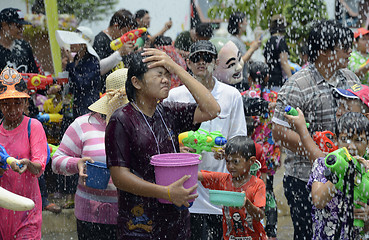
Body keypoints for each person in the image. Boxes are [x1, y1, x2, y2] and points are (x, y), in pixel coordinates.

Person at [105, 48, 220, 239]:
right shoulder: (121, 120)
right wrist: (165, 192)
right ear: (136, 82)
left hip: (176, 221)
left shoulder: (168, 112)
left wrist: (176, 67)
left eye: (168, 74)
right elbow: (120, 177)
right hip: (140, 225)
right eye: (159, 74)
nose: (166, 79)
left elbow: (212, 109)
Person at [271, 20, 360, 240]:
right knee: (308, 235)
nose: (350, 51)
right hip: (303, 180)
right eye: (344, 46)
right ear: (323, 50)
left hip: (343, 178)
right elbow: (278, 132)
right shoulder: (297, 84)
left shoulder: (350, 79)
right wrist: (319, 156)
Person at [165, 40, 247, 240]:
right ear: (188, 63)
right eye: (196, 58)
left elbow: (239, 140)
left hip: (218, 191)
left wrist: (228, 151)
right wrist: (177, 147)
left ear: (215, 61)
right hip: (184, 190)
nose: (201, 62)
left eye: (207, 58)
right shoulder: (173, 96)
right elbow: (164, 139)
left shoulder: (231, 95)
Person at [52, 68, 129, 240]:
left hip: (133, 215)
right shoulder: (83, 124)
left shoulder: (140, 126)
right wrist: (76, 164)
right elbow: (56, 161)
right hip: (91, 217)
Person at [285, 110, 369, 239]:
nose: (351, 146)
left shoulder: (367, 170)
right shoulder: (324, 165)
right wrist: (342, 174)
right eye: (345, 139)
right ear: (335, 140)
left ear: (367, 143)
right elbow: (318, 200)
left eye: (359, 140)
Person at [0, 68, 48, 239]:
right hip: (2, 211)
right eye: (6, 103)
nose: (12, 108)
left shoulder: (33, 126)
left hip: (27, 211)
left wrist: (28, 164)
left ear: (26, 102)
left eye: (17, 102)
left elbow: (39, 166)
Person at [198, 136, 266, 240]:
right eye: (227, 161)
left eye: (236, 162)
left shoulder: (257, 184)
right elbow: (198, 175)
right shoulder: (223, 180)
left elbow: (259, 216)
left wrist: (247, 204)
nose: (230, 166)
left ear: (251, 161)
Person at [242, 61, 280, 239]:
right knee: (268, 191)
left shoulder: (244, 96)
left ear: (249, 77)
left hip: (249, 154)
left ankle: (248, 227)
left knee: (247, 190)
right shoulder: (274, 98)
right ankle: (270, 230)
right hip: (270, 155)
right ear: (266, 77)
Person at [56, 26, 100, 119]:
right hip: (73, 106)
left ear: (83, 45)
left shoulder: (92, 61)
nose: (71, 43)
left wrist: (72, 64)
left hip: (87, 107)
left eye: (75, 41)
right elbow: (70, 82)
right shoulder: (75, 59)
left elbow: (82, 84)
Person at [93, 9, 137, 92]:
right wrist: (119, 53)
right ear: (116, 26)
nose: (126, 36)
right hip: (105, 92)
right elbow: (98, 68)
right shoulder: (100, 39)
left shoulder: (119, 41)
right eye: (125, 32)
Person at [227, 11, 262, 92]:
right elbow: (238, 62)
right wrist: (252, 49)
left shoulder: (239, 40)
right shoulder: (233, 40)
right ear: (239, 23)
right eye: (245, 21)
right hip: (237, 82)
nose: (246, 24)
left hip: (242, 80)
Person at [0, 8, 39, 73]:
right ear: (4, 25)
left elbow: (35, 75)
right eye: (18, 26)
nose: (21, 30)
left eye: (22, 27)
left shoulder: (24, 46)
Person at [263, 14, 292, 92]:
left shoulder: (268, 41)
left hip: (270, 83)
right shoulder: (281, 41)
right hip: (280, 83)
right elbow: (284, 62)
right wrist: (291, 80)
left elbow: (266, 62)